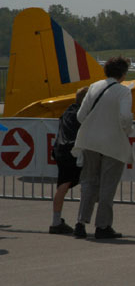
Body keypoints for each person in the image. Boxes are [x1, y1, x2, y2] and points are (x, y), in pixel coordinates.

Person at [72, 57, 134, 239]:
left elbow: (81, 115)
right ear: (123, 73)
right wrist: (126, 130)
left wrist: (94, 127)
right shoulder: (123, 91)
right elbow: (124, 117)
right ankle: (103, 225)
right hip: (112, 143)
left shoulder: (94, 87)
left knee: (89, 182)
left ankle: (80, 223)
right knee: (108, 185)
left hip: (90, 141)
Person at [49, 86, 88, 234]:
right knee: (87, 184)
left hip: (60, 150)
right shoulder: (83, 114)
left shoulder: (67, 111)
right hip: (75, 151)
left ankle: (56, 220)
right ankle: (81, 221)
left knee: (62, 186)